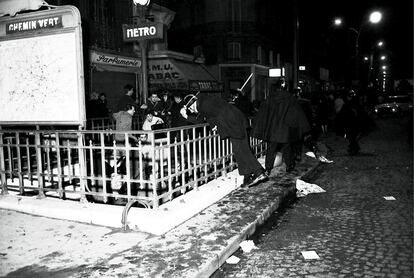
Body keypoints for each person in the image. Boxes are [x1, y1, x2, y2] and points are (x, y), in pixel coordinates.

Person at [180, 93, 268, 188]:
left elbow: (201, 120)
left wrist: (186, 116)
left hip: (234, 124)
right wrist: (214, 125)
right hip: (237, 121)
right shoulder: (206, 101)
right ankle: (247, 176)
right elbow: (213, 115)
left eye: (191, 109)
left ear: (192, 104)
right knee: (239, 150)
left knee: (242, 150)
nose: (192, 111)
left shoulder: (203, 105)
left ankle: (259, 172)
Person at [251, 79, 315, 175]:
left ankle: (268, 167)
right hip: (285, 128)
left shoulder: (271, 98)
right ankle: (289, 166)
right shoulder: (290, 99)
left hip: (273, 129)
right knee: (287, 147)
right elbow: (296, 114)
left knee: (271, 148)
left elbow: (264, 112)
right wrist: (300, 127)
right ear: (286, 88)